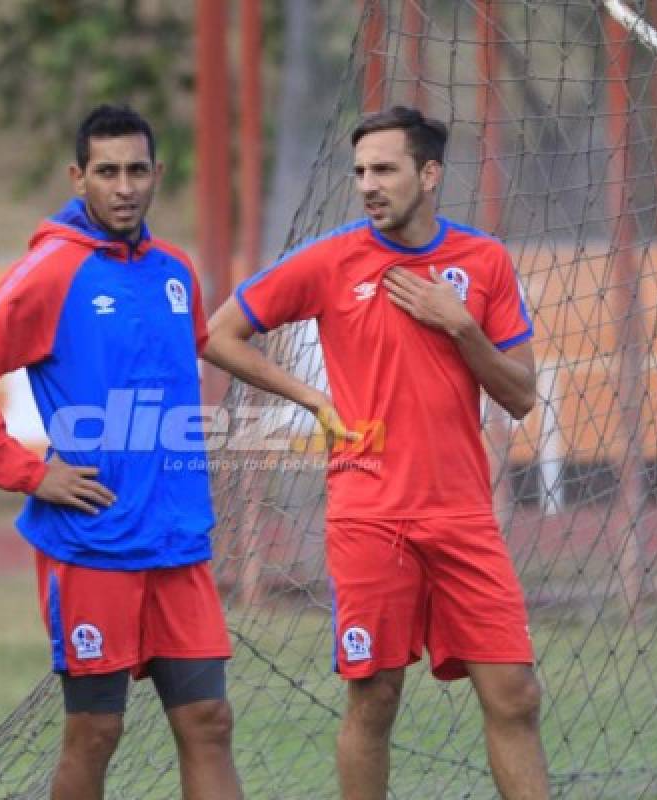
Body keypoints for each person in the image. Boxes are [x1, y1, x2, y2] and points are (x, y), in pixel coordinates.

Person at [204, 105, 550, 799]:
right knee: (376, 697)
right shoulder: (333, 259)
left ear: (428, 174)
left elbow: (520, 395)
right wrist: (310, 400)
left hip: (462, 516)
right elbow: (220, 335)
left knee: (514, 695)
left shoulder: (483, 262)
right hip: (369, 514)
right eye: (360, 170)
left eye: (384, 169)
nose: (368, 183)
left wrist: (462, 330)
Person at [0, 104, 241, 800]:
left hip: (177, 543)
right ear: (78, 176)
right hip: (93, 544)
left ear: (157, 174)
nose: (124, 186)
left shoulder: (177, 271)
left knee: (208, 719)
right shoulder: (50, 271)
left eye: (137, 170)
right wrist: (29, 472)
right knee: (95, 732)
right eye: (107, 171)